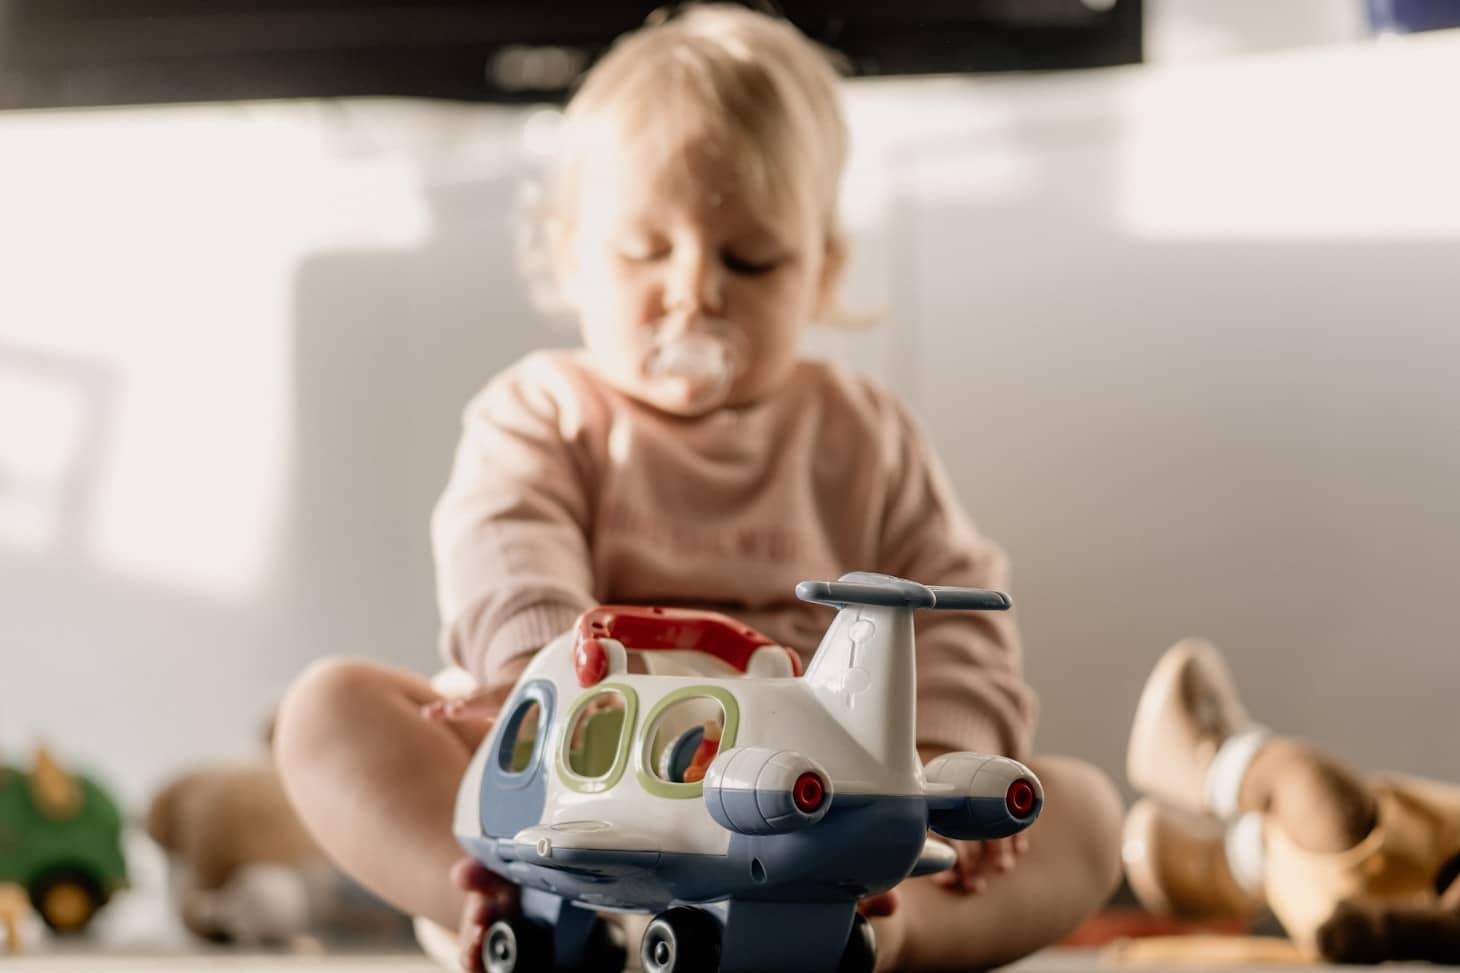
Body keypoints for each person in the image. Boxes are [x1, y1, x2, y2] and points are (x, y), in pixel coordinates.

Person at [273, 6, 1121, 970]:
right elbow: (507, 552)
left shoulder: (861, 432)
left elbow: (955, 608)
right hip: (588, 790)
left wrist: (934, 750)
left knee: (1084, 811)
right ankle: (503, 903)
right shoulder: (543, 412)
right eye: (646, 251)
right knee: (327, 711)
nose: (696, 291)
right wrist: (534, 673)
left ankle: (885, 929)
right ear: (567, 252)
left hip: (807, 816)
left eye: (749, 260)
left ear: (822, 271)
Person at [1124, 638, 1460, 964]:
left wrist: (1384, 930)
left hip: (1378, 871)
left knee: (1313, 785)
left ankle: (1209, 761)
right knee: (1300, 816)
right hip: (1384, 861)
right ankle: (1217, 869)